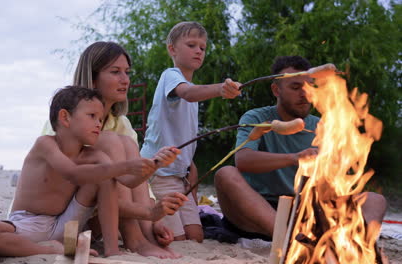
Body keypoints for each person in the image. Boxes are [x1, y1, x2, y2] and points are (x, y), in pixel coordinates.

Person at [0, 86, 179, 257]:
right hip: (28, 223)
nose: (98, 124)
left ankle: (112, 250)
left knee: (105, 176)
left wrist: (155, 163)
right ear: (65, 118)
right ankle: (50, 249)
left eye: (100, 118)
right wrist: (123, 166)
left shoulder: (94, 155)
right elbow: (72, 173)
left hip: (67, 227)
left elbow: (128, 181)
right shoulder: (46, 145)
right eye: (92, 116)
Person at [214, 55, 387, 240]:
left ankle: (354, 244)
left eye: (308, 87)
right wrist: (295, 158)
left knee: (375, 200)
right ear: (276, 90)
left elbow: (334, 185)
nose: (304, 94)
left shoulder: (323, 126)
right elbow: (243, 160)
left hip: (303, 212)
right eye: (295, 88)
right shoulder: (256, 118)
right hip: (257, 211)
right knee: (225, 174)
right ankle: (288, 238)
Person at [42, 41, 187, 258]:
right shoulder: (67, 121)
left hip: (93, 218)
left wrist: (154, 222)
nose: (125, 80)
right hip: (62, 221)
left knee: (124, 143)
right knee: (110, 143)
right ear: (92, 78)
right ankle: (135, 240)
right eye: (115, 72)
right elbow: (64, 182)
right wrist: (148, 213)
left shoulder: (121, 124)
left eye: (127, 72)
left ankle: (143, 238)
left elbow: (138, 184)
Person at [140, 21, 241, 243]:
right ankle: (142, 222)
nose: (198, 51)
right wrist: (220, 89)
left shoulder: (194, 95)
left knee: (196, 237)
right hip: (158, 174)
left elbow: (186, 137)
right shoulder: (171, 76)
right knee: (177, 238)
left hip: (180, 178)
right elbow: (188, 93)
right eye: (191, 45)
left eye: (202, 48)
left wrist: (190, 177)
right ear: (172, 49)